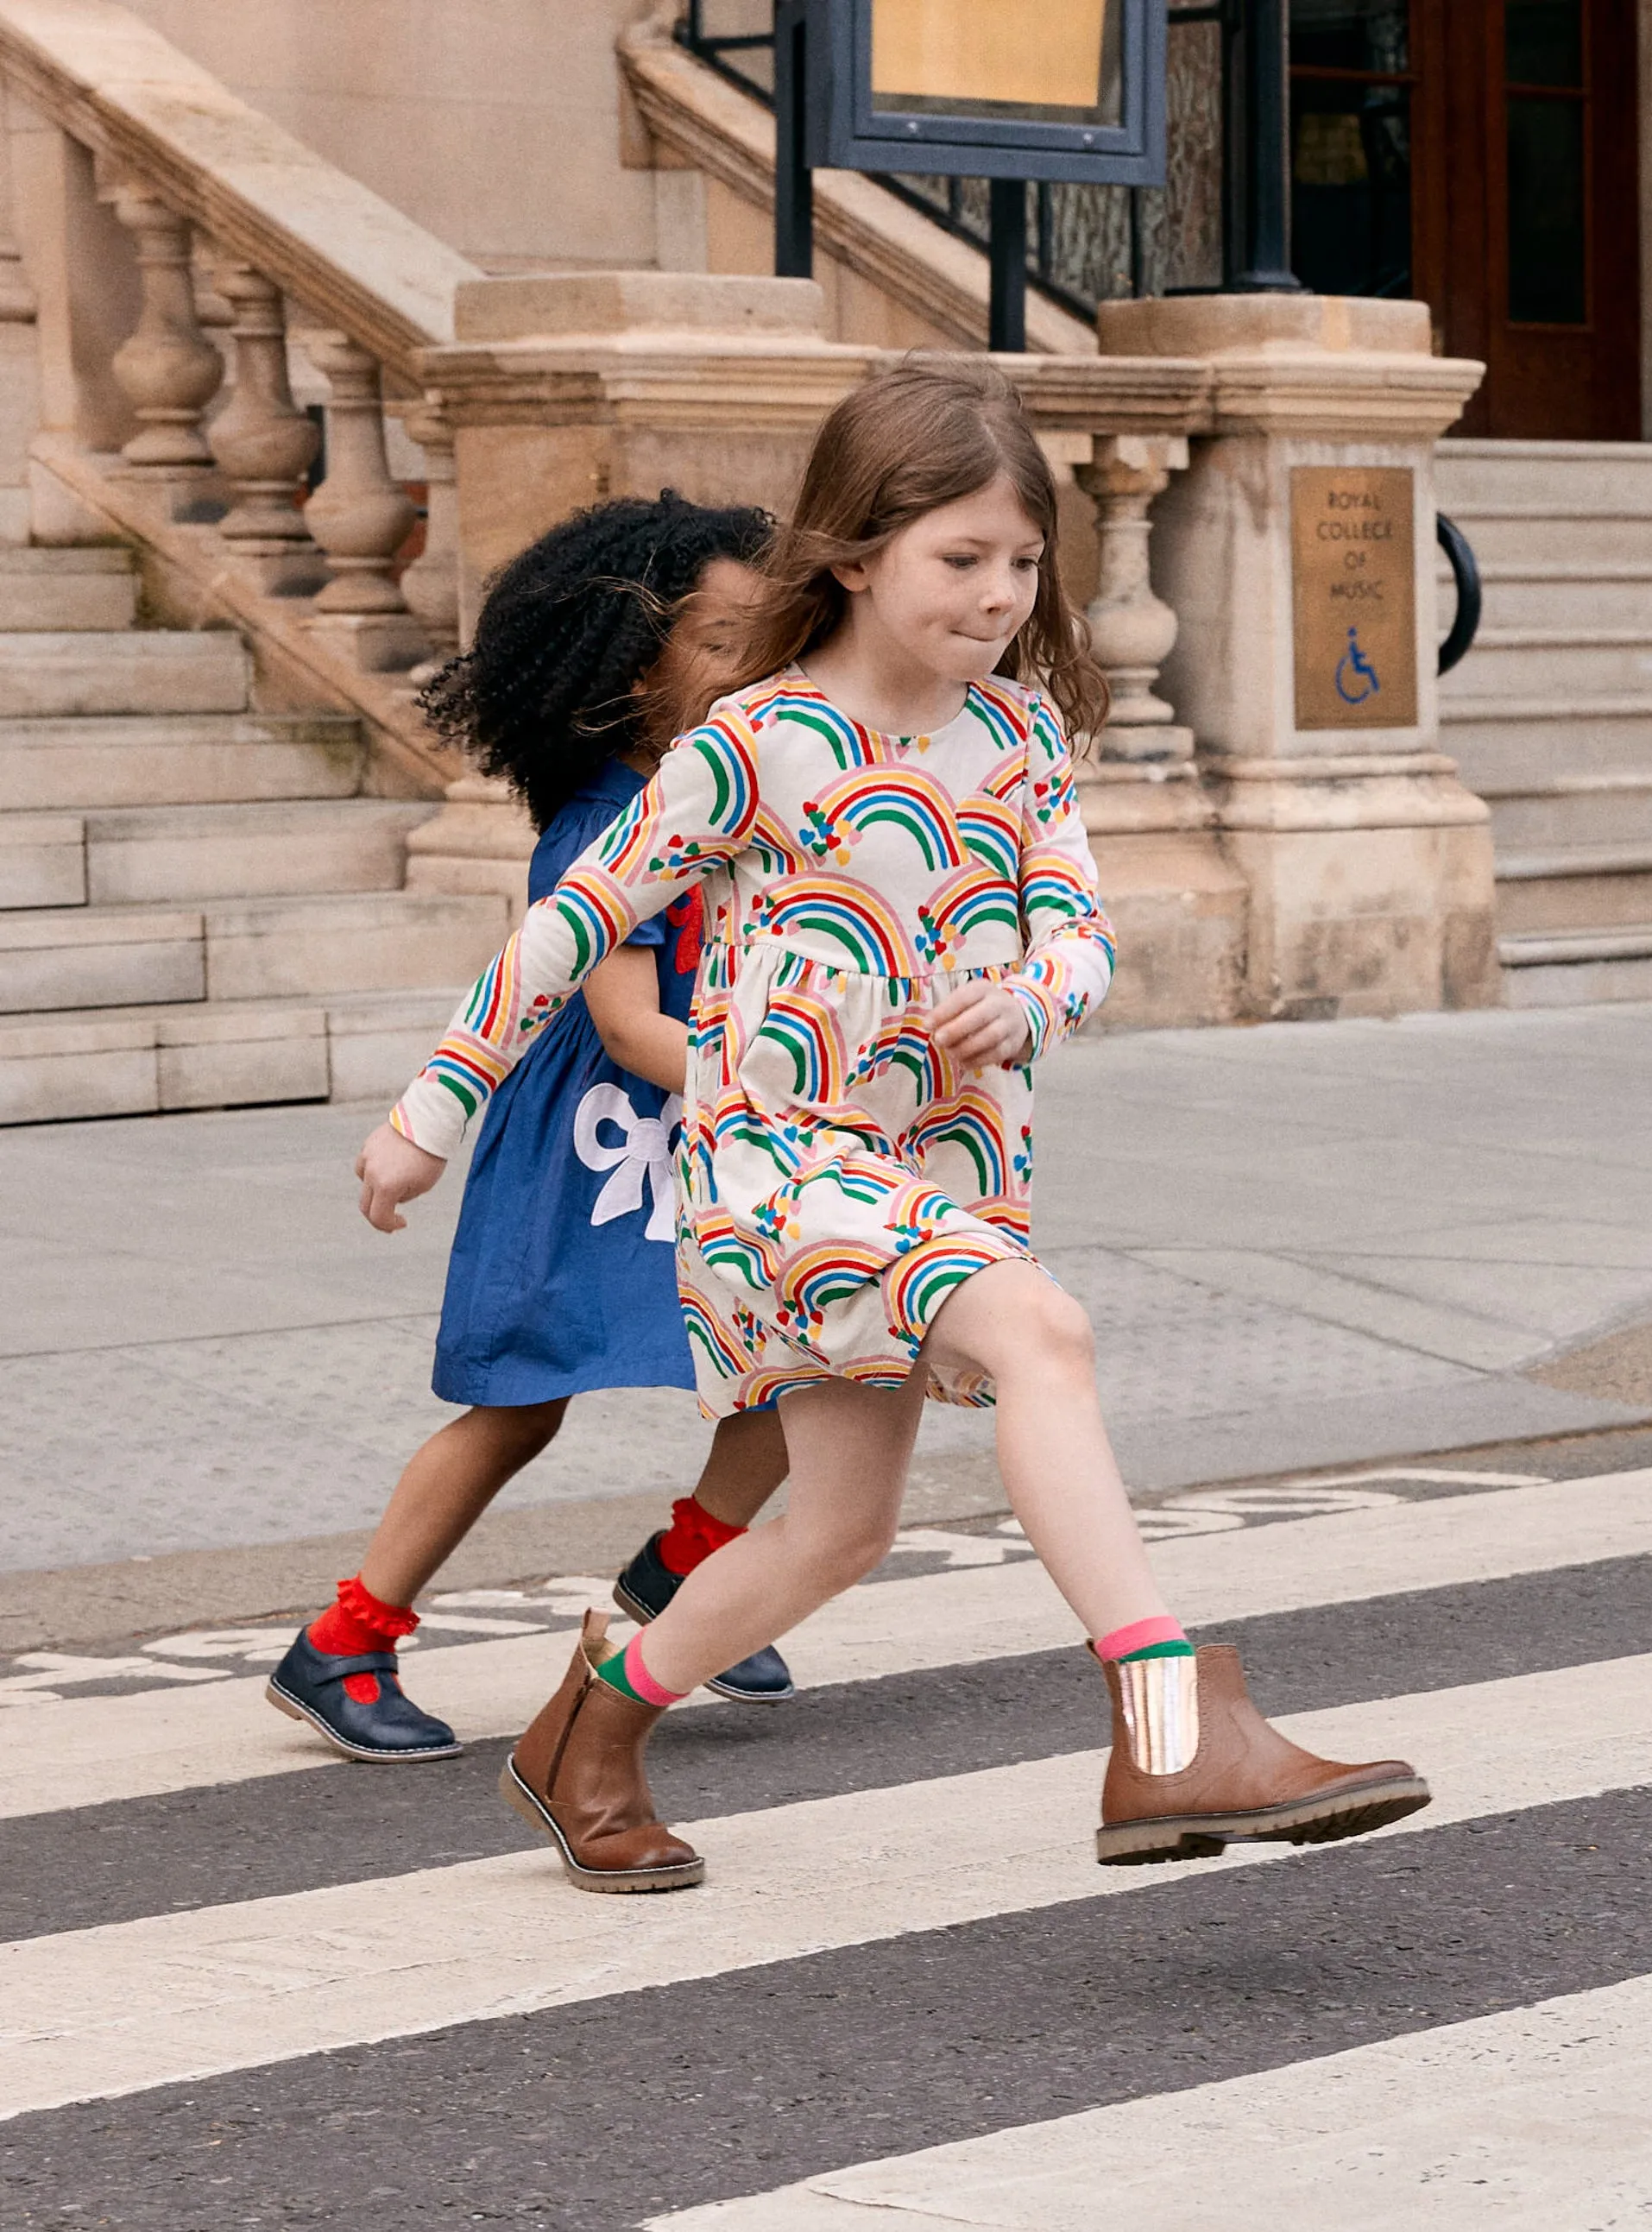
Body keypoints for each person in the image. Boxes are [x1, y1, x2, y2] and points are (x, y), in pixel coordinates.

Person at [356, 362, 1432, 1887]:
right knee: (1043, 1335)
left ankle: (585, 1731)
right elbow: (571, 923)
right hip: (777, 1165)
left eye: (1023, 560)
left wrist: (1038, 998)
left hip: (943, 1168)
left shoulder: (1023, 737)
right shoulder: (757, 742)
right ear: (855, 553)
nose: (999, 594)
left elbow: (1080, 931)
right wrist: (427, 1113)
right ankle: (1172, 1716)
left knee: (837, 1532)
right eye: (961, 558)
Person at [268, 494, 799, 1768]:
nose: (757, 671)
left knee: (803, 1354)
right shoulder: (603, 819)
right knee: (523, 1401)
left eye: (768, 641)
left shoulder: (724, 791)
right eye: (725, 644)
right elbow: (623, 1027)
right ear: (627, 667)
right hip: (595, 1146)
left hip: (701, 1133)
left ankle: (685, 1569)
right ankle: (343, 1637)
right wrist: (790, 1081)